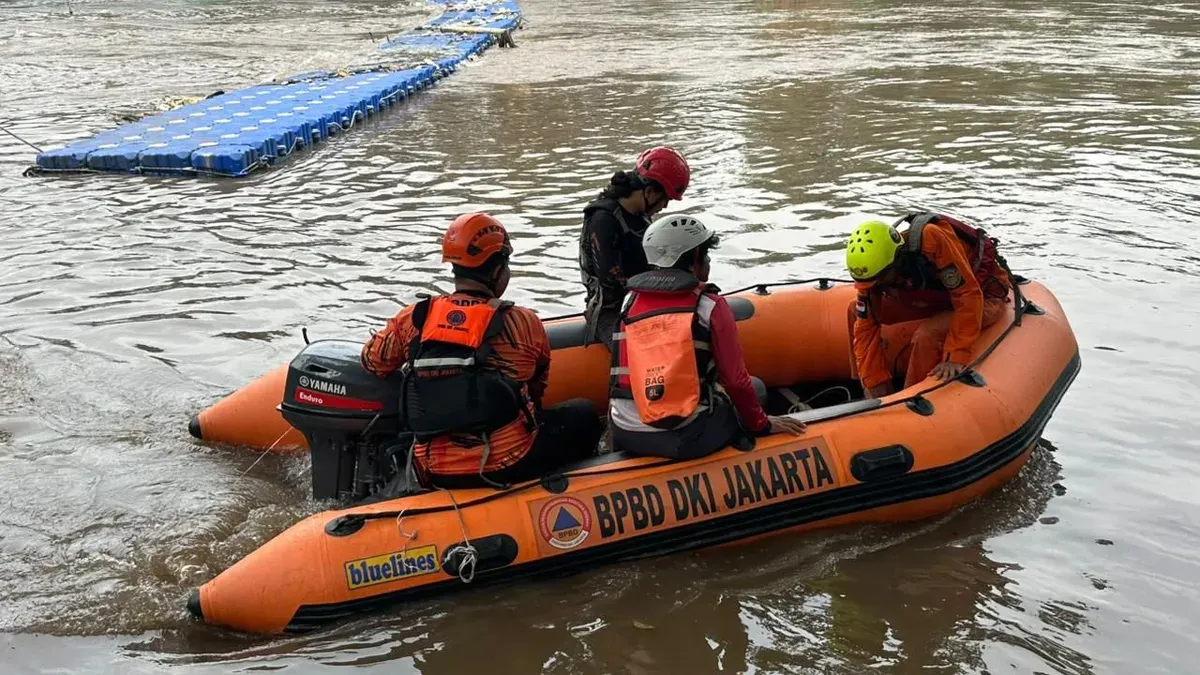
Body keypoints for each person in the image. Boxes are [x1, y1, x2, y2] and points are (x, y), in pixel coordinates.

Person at [361, 212, 602, 489]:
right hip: (507, 461)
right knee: (582, 413)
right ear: (498, 270)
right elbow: (537, 389)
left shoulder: (414, 318)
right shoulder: (522, 323)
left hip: (431, 467)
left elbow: (372, 362)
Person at [607, 213, 808, 460]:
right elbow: (735, 381)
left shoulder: (630, 301)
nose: (709, 260)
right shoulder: (709, 306)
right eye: (706, 253)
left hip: (626, 430)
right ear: (694, 258)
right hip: (686, 436)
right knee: (756, 389)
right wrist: (763, 424)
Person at [845, 212, 1013, 398]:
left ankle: (912, 399)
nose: (875, 286)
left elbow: (968, 295)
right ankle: (863, 391)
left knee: (927, 334)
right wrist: (873, 383)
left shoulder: (932, 240)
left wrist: (956, 355)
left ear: (896, 260)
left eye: (880, 279)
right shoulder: (875, 273)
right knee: (855, 310)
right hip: (937, 297)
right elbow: (865, 327)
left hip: (984, 296)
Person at [579, 146, 691, 351]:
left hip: (644, 298)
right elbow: (610, 279)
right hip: (609, 310)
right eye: (665, 199)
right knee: (635, 352)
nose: (665, 207)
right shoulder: (603, 220)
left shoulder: (640, 216)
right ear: (649, 191)